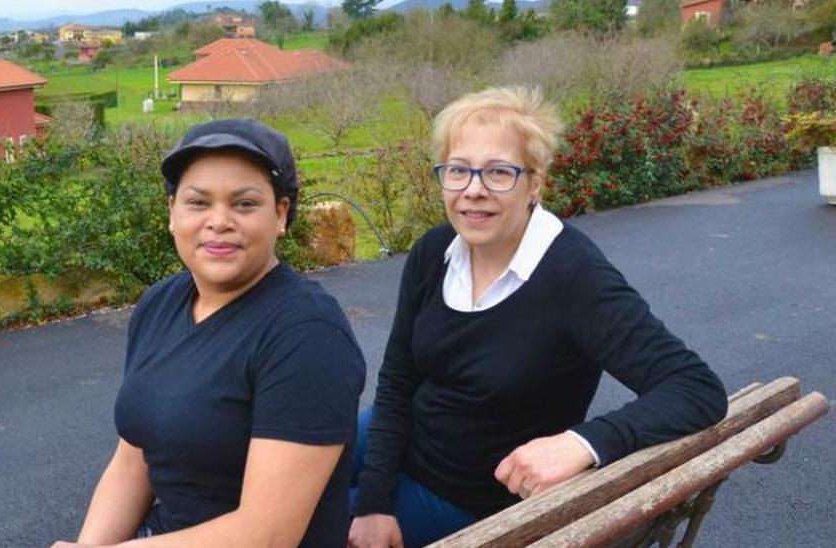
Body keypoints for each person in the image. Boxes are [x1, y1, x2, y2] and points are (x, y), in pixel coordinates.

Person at [347, 87, 729, 548]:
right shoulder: (435, 252)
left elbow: (694, 388)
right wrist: (373, 501)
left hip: (467, 494)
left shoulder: (574, 277)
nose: (473, 189)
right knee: (270, 475)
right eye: (458, 170)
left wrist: (581, 443)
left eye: (498, 172)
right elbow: (398, 380)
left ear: (535, 183)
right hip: (404, 436)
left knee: (304, 526)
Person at [55, 119, 366, 547]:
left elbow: (268, 535)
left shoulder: (308, 335)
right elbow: (133, 463)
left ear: (280, 216)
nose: (218, 221)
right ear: (171, 213)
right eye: (198, 203)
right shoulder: (160, 304)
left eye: (244, 204)